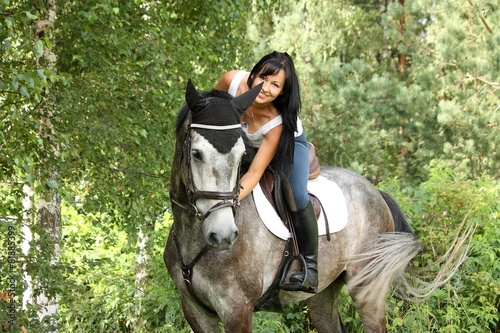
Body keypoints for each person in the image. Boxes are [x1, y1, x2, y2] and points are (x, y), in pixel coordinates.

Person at [215, 51, 318, 293]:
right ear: (255, 72)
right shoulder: (229, 81)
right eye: (263, 78)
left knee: (297, 194)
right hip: (243, 143)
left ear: (282, 91)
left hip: (288, 145)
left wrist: (226, 201)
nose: (265, 88)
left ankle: (311, 268)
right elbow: (213, 116)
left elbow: (253, 174)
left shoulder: (277, 123)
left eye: (275, 85)